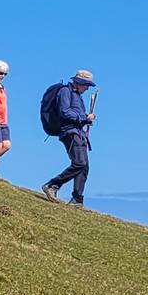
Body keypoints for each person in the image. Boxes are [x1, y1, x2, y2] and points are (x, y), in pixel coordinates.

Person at [41, 70, 97, 206]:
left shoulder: (77, 95)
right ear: (79, 83)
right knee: (80, 163)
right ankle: (53, 184)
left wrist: (86, 120)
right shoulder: (66, 91)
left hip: (79, 133)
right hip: (70, 133)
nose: (87, 88)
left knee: (84, 167)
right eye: (86, 85)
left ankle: (77, 199)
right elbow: (64, 112)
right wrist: (85, 117)